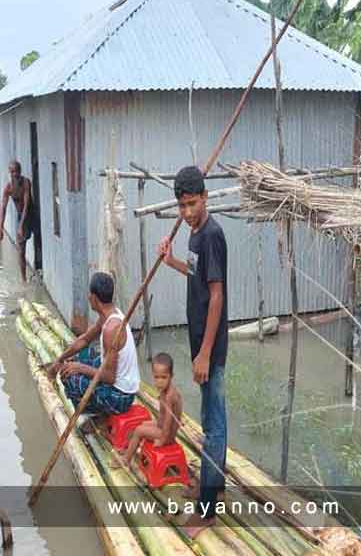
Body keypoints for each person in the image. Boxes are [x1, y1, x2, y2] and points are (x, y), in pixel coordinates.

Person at [156, 165, 228, 539]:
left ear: (205, 197)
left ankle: (209, 509)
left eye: (192, 204)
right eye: (181, 206)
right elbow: (198, 276)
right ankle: (210, 488)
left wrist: (203, 354)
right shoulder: (195, 235)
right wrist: (171, 262)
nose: (185, 213)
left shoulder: (212, 235)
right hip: (200, 339)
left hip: (210, 347)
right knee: (210, 418)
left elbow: (216, 296)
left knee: (214, 428)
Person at [46, 272, 139, 420]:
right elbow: (84, 340)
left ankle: (95, 414)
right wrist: (60, 359)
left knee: (69, 377)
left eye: (90, 295)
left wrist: (79, 368)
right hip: (115, 379)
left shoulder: (111, 329)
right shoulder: (108, 316)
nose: (88, 298)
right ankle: (96, 408)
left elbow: (110, 377)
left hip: (120, 396)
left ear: (94, 298)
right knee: (82, 355)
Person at [112, 353, 182, 472]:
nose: (160, 381)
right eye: (156, 377)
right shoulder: (165, 391)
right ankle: (130, 449)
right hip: (162, 426)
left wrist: (163, 439)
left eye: (163, 377)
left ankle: (126, 459)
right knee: (142, 425)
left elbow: (169, 421)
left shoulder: (170, 395)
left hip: (167, 433)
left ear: (171, 376)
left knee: (139, 431)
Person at [0, 161, 32, 281]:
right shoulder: (9, 188)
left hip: (31, 214)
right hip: (20, 215)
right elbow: (3, 208)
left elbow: (26, 205)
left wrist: (21, 225)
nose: (14, 174)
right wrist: (0, 228)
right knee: (21, 250)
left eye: (16, 171)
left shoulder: (26, 182)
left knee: (36, 238)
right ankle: (24, 280)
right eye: (11, 172)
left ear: (20, 171)